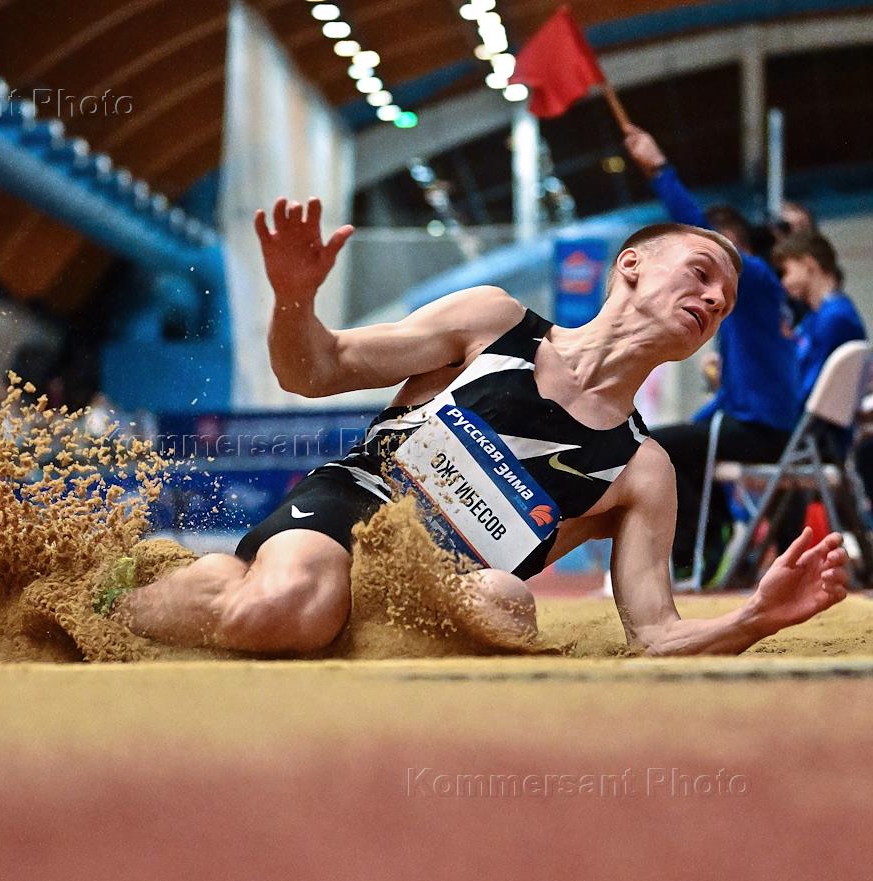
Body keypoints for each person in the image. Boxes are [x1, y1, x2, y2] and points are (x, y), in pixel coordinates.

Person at [94, 197, 847, 657]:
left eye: (726, 298)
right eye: (702, 272)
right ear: (631, 267)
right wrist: (295, 299)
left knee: (507, 606)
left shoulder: (643, 469)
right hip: (353, 513)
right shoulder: (494, 323)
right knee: (286, 608)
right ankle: (108, 602)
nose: (716, 299)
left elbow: (653, 634)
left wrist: (753, 617)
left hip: (439, 586)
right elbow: (315, 371)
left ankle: (290, 614)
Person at [621, 124, 800, 577]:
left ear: (733, 247)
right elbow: (736, 396)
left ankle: (690, 554)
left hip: (767, 434)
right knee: (671, 440)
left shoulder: (755, 279)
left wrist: (658, 168)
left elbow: (696, 227)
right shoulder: (749, 303)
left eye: (713, 251)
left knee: (662, 446)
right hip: (761, 426)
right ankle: (708, 543)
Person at [772, 231, 866, 411]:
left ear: (809, 265)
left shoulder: (834, 318)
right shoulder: (816, 317)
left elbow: (809, 388)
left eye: (786, 272)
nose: (783, 282)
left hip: (812, 427)